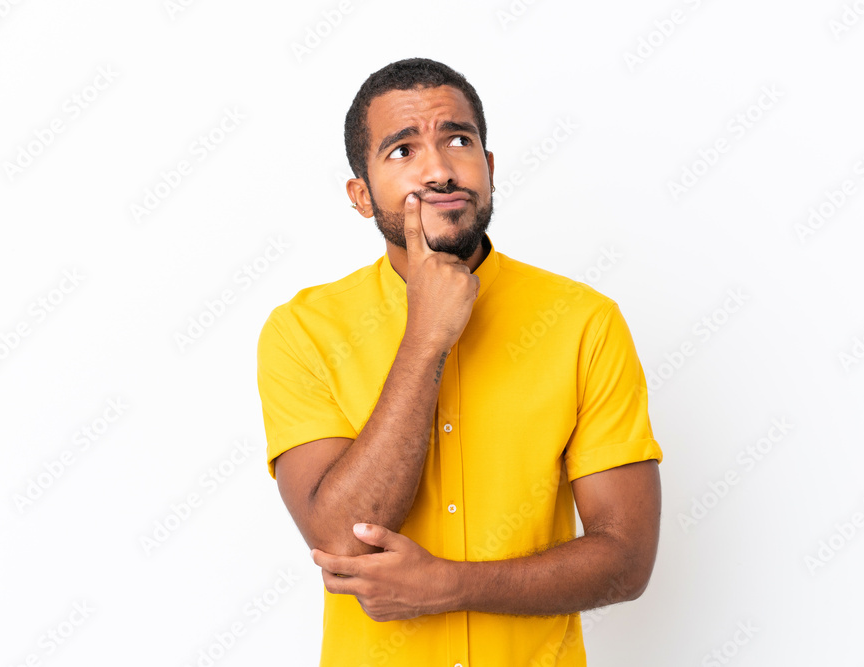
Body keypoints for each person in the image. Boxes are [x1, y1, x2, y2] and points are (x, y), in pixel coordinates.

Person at [256, 57, 663, 667]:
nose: (440, 169)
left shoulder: (584, 322)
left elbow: (626, 560)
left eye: (458, 140)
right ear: (361, 196)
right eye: (402, 151)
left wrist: (450, 584)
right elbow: (341, 539)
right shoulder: (302, 332)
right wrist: (426, 337)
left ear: (490, 168)